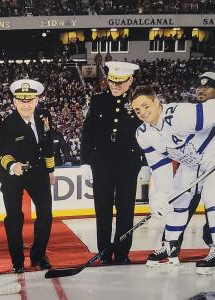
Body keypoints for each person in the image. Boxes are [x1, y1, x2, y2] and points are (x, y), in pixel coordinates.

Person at [131, 85, 215, 275]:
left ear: (157, 101)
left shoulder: (179, 115)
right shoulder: (143, 134)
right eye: (137, 110)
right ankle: (171, 245)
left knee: (213, 196)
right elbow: (160, 166)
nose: (142, 112)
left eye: (145, 106)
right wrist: (161, 194)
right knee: (176, 198)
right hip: (191, 164)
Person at [80, 61, 143, 264]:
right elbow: (87, 131)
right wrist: (85, 161)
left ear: (130, 80)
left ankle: (122, 252)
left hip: (128, 162)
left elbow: (147, 133)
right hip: (102, 162)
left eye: (121, 82)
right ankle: (104, 252)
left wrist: (145, 162)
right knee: (103, 207)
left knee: (126, 208)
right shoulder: (98, 100)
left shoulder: (138, 102)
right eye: (112, 82)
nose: (115, 86)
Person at [161, 71, 215, 249]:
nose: (201, 90)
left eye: (207, 86)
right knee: (179, 206)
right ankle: (169, 246)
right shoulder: (190, 111)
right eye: (200, 86)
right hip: (191, 170)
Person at [0, 78, 55, 273]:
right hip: (13, 173)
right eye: (21, 100)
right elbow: (3, 152)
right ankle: (17, 262)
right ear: (14, 102)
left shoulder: (44, 117)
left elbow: (48, 144)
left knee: (46, 214)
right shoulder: (7, 124)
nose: (26, 104)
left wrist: (50, 170)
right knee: (14, 217)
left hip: (38, 171)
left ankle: (38, 256)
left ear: (37, 100)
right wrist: (13, 166)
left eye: (30, 100)